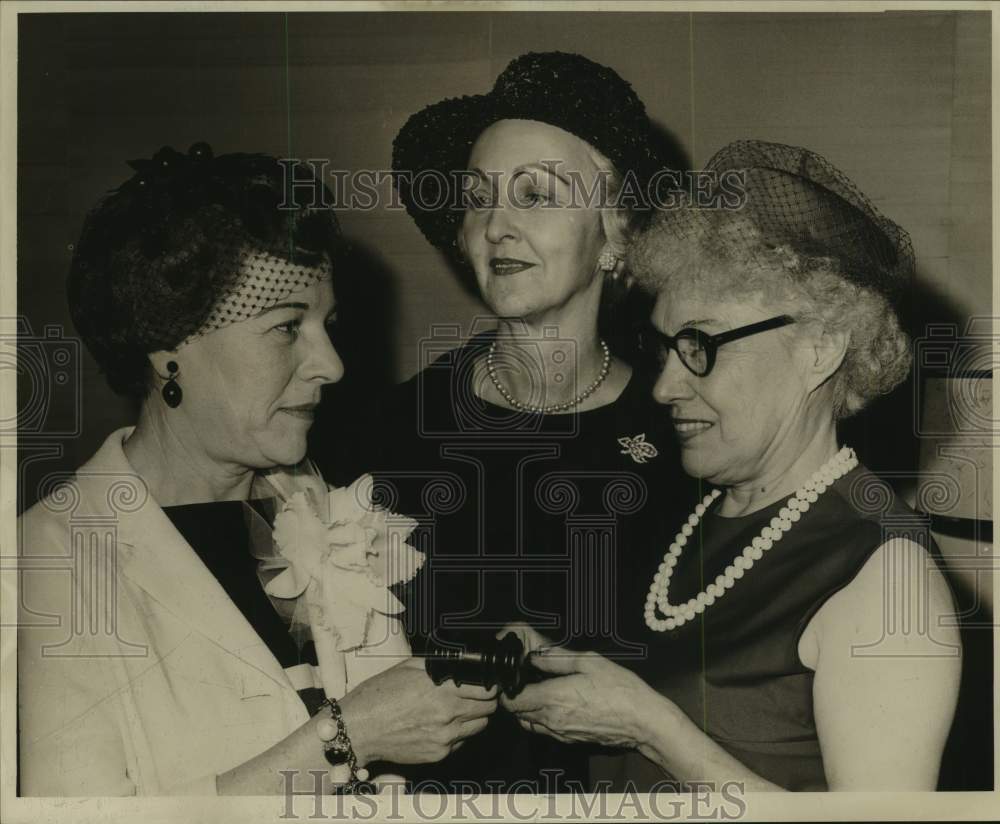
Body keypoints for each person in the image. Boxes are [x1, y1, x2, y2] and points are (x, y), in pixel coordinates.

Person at [17, 144, 496, 796]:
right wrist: (344, 738)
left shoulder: (317, 506)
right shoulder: (46, 562)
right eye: (286, 328)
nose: (332, 365)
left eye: (326, 325)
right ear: (169, 345)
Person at [501, 140, 962, 791]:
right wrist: (561, 668)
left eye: (699, 344)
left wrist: (650, 728)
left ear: (820, 349)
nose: (663, 388)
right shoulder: (700, 508)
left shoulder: (888, 577)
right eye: (665, 348)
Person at [315, 52, 698, 791]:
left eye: (536, 196)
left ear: (615, 234)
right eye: (479, 199)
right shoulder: (384, 433)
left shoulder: (688, 431)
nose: (497, 227)